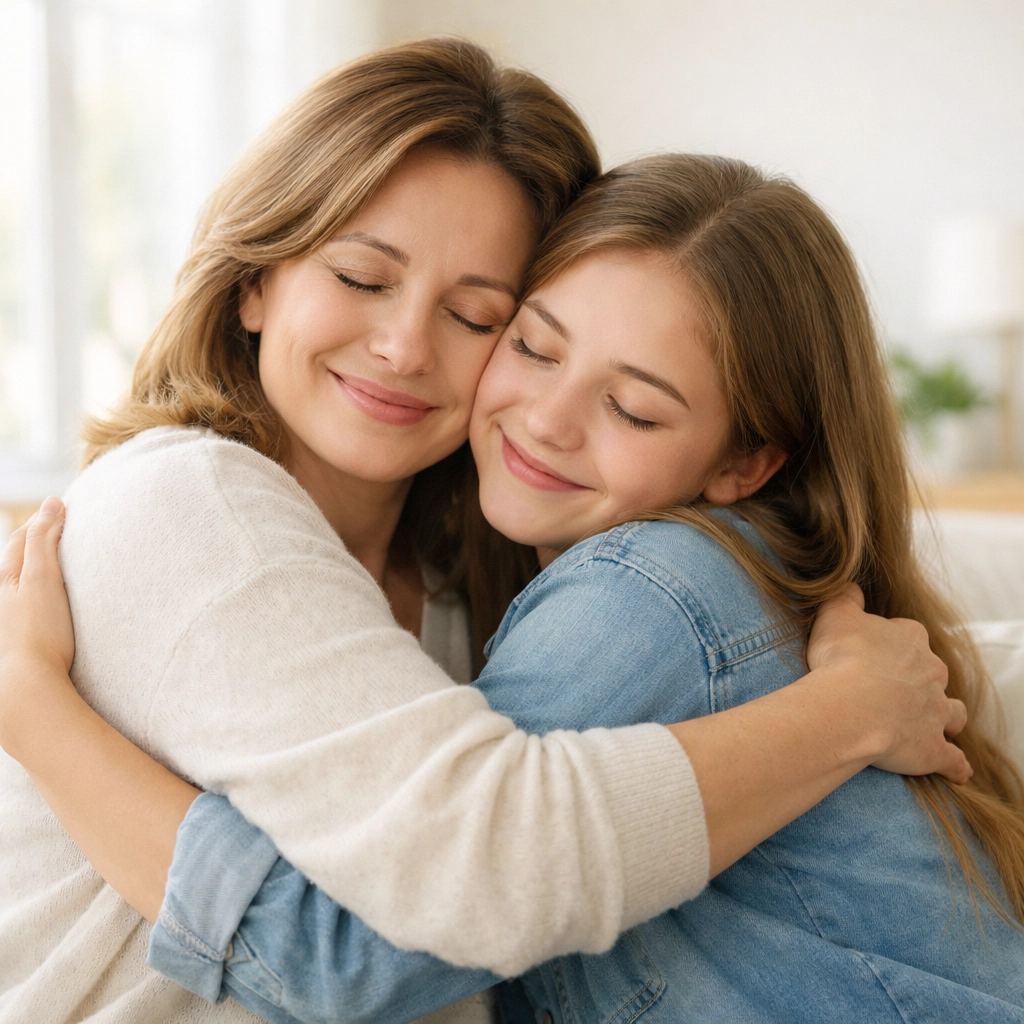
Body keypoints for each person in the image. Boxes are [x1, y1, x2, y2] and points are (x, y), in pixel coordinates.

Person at [0, 45, 967, 1024]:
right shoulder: (187, 502)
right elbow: (475, 868)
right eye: (360, 276)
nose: (406, 346)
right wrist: (848, 712)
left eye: (475, 315)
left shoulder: (467, 587)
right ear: (254, 282)